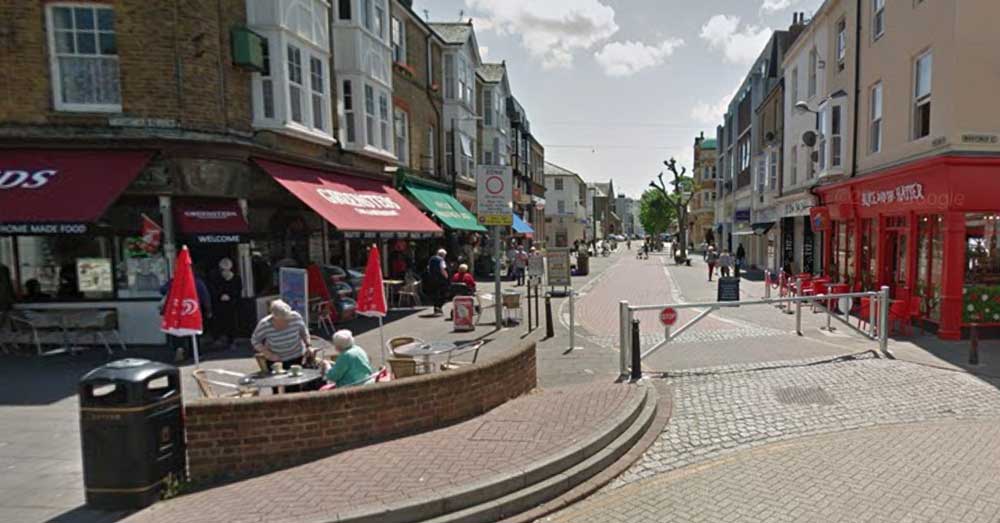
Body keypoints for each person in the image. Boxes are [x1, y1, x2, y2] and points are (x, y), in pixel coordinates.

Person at [251, 300, 310, 392]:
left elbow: (304, 331)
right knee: (276, 387)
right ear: (274, 317)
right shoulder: (265, 324)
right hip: (276, 361)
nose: (287, 321)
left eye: (288, 318)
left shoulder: (295, 317)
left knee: (294, 387)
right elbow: (255, 341)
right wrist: (269, 354)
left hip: (296, 356)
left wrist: (308, 345)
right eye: (283, 320)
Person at [209, 258, 242, 350]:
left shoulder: (236, 278)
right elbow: (213, 290)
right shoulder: (216, 279)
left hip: (231, 305)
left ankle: (231, 340)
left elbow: (238, 291)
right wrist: (220, 295)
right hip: (220, 305)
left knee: (232, 322)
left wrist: (230, 296)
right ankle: (220, 338)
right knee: (220, 321)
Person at [426, 248, 449, 315]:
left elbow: (428, 268)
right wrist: (446, 276)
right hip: (440, 279)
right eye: (444, 255)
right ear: (443, 255)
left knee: (435, 293)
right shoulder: (441, 260)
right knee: (443, 293)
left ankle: (436, 307)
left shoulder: (431, 259)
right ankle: (439, 307)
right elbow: (442, 269)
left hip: (432, 279)